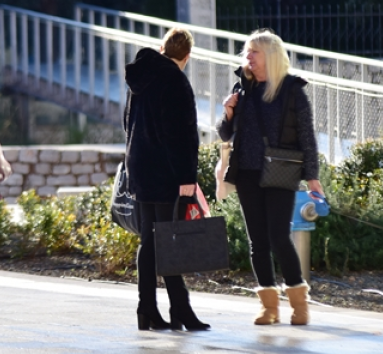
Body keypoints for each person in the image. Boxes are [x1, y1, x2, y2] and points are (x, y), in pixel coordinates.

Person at [217, 30, 322, 326]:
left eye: (254, 52)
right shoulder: (243, 89)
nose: (247, 58)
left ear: (271, 56)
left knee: (278, 237)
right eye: (246, 53)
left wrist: (312, 177)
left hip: (281, 172)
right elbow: (225, 134)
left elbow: (307, 138)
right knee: (257, 241)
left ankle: (299, 305)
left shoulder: (292, 91)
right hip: (247, 173)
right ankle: (269, 307)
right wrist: (227, 113)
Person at [123, 27, 210, 331]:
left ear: (163, 48)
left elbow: (126, 123)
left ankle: (147, 309)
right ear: (186, 56)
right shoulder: (175, 80)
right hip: (166, 172)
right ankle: (180, 310)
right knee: (168, 239)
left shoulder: (139, 76)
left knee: (150, 240)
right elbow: (179, 135)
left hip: (140, 166)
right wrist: (187, 176)